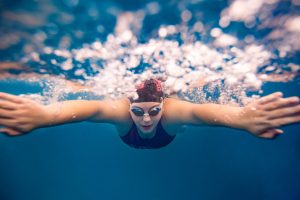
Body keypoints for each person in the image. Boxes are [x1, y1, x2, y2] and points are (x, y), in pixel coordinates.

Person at [0, 78, 299, 149]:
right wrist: (43, 115)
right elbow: (89, 108)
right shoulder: (121, 112)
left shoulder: (173, 111)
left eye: (154, 111)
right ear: (129, 106)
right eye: (138, 111)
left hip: (170, 132)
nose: (145, 119)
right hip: (127, 137)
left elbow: (200, 112)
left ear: (162, 105)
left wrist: (240, 118)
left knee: (183, 121)